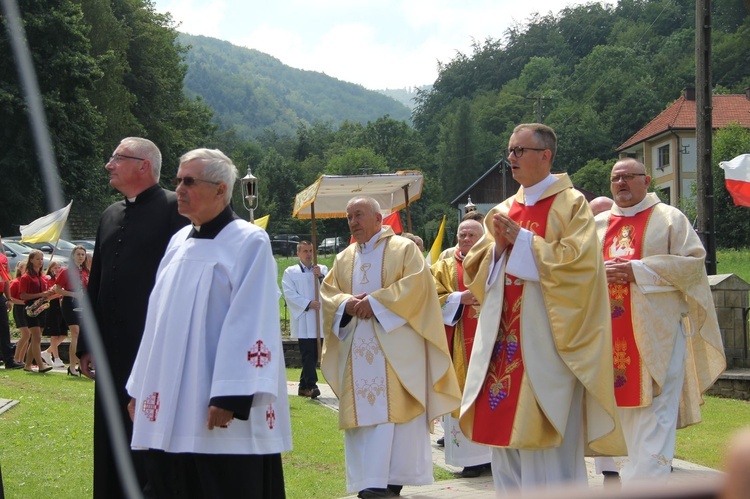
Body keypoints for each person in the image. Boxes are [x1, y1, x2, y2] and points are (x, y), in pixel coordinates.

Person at [459, 123, 625, 493]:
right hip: (502, 343)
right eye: (510, 151)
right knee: (504, 443)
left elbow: (580, 267)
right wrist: (499, 248)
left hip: (548, 345)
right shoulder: (503, 209)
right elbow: (476, 267)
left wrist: (523, 240)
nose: (512, 158)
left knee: (548, 444)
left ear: (545, 156)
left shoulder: (571, 204)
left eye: (520, 151)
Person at [126, 148, 291, 498]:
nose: (179, 189)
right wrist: (139, 388)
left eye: (189, 181)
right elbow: (156, 320)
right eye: (177, 180)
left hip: (215, 403)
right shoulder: (177, 242)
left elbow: (252, 318)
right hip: (169, 398)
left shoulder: (248, 240)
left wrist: (231, 394)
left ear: (221, 190)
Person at [593, 158, 726, 484]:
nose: (621, 183)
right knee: (621, 416)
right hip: (607, 335)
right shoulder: (596, 224)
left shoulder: (669, 218)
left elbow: (693, 265)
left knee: (655, 416)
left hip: (658, 335)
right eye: (616, 178)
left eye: (628, 177)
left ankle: (644, 486)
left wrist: (636, 271)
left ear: (647, 180)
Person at [320, 196, 461, 499]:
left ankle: (390, 482)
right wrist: (347, 304)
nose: (352, 222)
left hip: (396, 351)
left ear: (377, 218)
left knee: (395, 416)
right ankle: (369, 482)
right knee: (366, 419)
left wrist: (375, 303)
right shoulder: (344, 258)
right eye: (348, 217)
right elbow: (329, 293)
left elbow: (418, 288)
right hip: (357, 352)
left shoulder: (403, 248)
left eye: (358, 215)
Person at [78, 137, 189, 498]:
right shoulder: (109, 214)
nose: (109, 165)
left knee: (148, 430)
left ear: (144, 165)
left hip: (152, 346)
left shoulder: (176, 209)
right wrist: (86, 344)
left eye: (117, 158)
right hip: (109, 349)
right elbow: (96, 283)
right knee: (110, 431)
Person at [430, 219, 491, 478]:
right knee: (463, 393)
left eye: (472, 234)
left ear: (483, 236)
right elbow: (430, 297)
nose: (466, 238)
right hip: (458, 342)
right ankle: (471, 459)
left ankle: (493, 455)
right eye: (462, 234)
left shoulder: (495, 260)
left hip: (491, 340)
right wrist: (459, 298)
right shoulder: (443, 266)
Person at [281, 240, 328, 398]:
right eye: (305, 251)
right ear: (298, 253)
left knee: (314, 354)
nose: (309, 254)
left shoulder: (321, 269)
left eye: (311, 251)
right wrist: (307, 303)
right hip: (303, 318)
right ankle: (311, 385)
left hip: (318, 319)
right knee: (307, 353)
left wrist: (320, 277)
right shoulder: (290, 272)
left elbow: (330, 288)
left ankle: (302, 386)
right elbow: (289, 293)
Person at [53, 245, 89, 376]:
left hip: (82, 303)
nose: (80, 257)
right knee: (75, 332)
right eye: (78, 254)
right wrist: (73, 294)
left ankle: (81, 365)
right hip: (70, 302)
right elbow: (57, 289)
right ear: (73, 256)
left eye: (82, 255)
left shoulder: (85, 272)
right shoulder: (66, 271)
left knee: (81, 335)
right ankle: (72, 366)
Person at [20, 250, 55, 373]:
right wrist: (41, 294)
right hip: (31, 307)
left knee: (36, 338)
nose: (40, 261)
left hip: (41, 306)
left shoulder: (42, 276)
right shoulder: (26, 277)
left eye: (42, 259)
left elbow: (43, 294)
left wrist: (49, 293)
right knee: (37, 338)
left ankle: (28, 365)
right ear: (31, 260)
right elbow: (23, 295)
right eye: (38, 259)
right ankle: (41, 365)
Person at [0, 235, 23, 369]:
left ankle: (9, 360)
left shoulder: (3, 258)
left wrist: (8, 298)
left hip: (1, 295)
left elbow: (6, 280)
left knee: (4, 328)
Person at [40, 261, 66, 368]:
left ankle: (47, 352)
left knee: (63, 334)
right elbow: (46, 298)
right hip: (52, 307)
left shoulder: (60, 280)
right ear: (51, 269)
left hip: (61, 307)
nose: (58, 269)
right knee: (54, 334)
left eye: (59, 267)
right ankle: (56, 358)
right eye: (56, 267)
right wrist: (59, 293)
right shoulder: (48, 280)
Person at [10, 261, 30, 365]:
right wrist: (22, 302)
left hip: (27, 308)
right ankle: (16, 358)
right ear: (20, 268)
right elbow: (10, 298)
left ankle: (21, 360)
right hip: (19, 308)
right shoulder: (16, 282)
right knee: (26, 334)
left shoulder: (27, 281)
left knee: (28, 334)